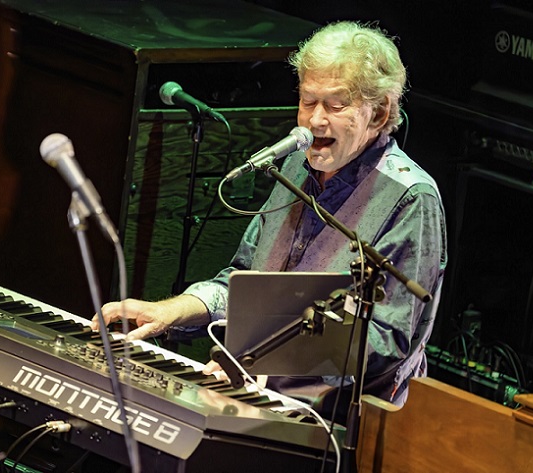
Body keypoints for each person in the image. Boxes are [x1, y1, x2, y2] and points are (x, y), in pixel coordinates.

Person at [90, 20, 447, 424]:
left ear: (379, 113)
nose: (314, 121)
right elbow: (243, 283)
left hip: (336, 425)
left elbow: (385, 341)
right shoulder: (294, 166)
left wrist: (262, 359)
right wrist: (170, 312)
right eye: (308, 101)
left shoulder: (410, 199)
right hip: (253, 395)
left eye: (335, 106)